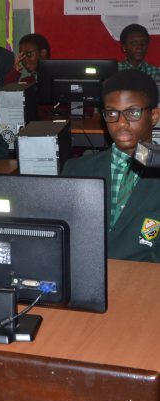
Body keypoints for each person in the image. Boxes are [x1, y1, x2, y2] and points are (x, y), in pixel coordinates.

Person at [62, 70, 160, 262]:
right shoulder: (76, 170)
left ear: (154, 116)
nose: (121, 123)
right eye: (112, 113)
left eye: (133, 112)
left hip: (145, 276)